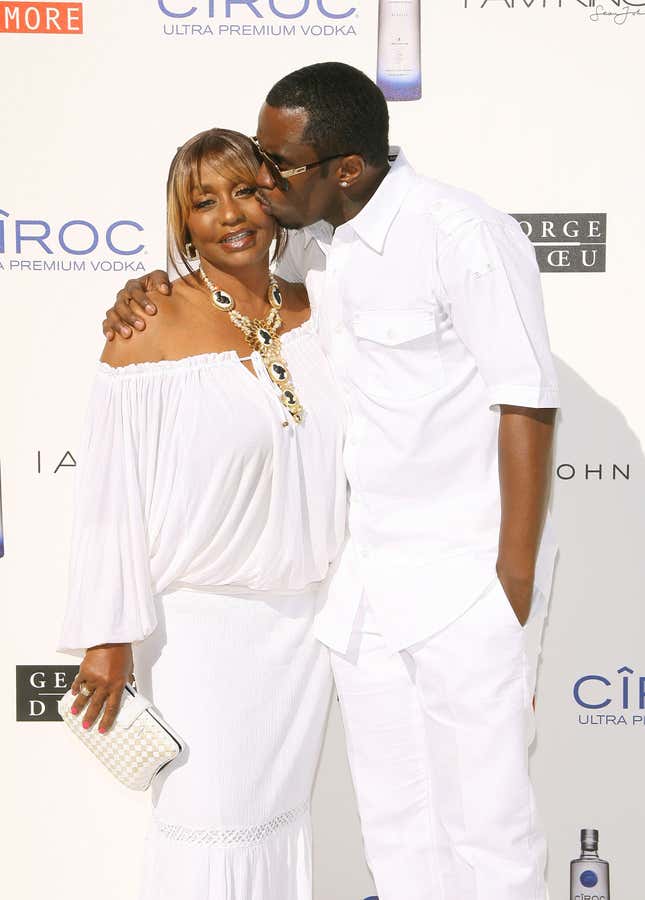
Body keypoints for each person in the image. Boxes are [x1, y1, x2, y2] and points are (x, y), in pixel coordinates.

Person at [103, 63, 560, 900]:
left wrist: (512, 584)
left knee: (489, 833)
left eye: (277, 168)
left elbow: (525, 400)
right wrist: (148, 289)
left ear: (344, 167)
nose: (262, 189)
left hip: (462, 579)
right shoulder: (320, 245)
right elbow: (227, 283)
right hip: (362, 594)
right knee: (396, 828)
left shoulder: (459, 234)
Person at [56, 127, 347, 900]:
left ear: (277, 194)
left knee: (277, 821)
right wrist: (108, 637)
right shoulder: (145, 329)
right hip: (205, 631)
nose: (231, 214)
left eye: (247, 189)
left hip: (310, 621)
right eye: (204, 201)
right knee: (211, 825)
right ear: (181, 223)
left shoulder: (323, 306)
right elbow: (110, 497)